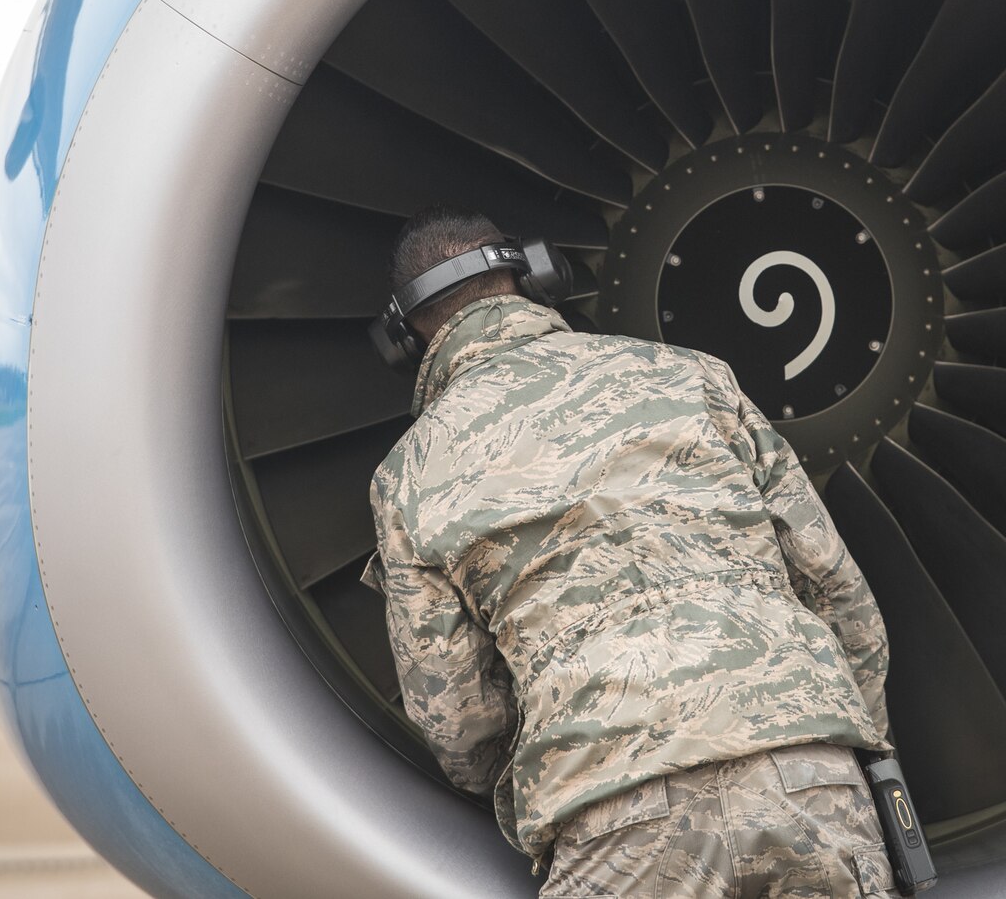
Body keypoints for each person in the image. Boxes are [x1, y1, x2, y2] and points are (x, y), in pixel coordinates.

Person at [363, 206, 899, 897]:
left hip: (614, 810)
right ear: (538, 273)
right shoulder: (695, 378)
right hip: (807, 775)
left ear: (406, 335)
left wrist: (550, 776)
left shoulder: (409, 476)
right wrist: (846, 746)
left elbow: (458, 720)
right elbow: (836, 591)